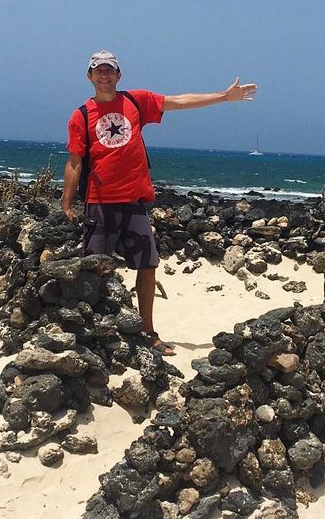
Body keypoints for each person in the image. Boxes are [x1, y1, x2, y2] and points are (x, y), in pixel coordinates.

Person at [62, 50, 257, 355]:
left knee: (147, 266)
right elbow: (74, 162)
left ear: (118, 75)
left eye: (109, 70)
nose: (104, 75)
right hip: (99, 203)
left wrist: (224, 96)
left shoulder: (136, 101)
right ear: (89, 76)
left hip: (135, 202)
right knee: (95, 271)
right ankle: (96, 333)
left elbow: (178, 101)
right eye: (98, 71)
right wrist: (67, 201)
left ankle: (147, 331)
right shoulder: (81, 115)